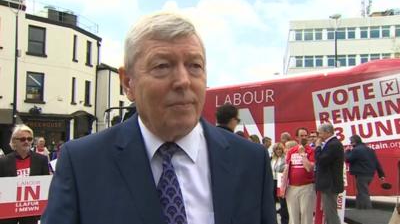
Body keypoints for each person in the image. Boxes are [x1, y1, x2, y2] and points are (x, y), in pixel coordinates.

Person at [42, 12, 276, 224]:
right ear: (127, 82)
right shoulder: (83, 163)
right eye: (162, 66)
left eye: (195, 65)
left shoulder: (251, 162)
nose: (183, 80)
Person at [0, 124, 50, 224]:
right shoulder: (3, 161)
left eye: (29, 139)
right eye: (22, 139)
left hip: (30, 212)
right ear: (14, 141)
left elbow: (45, 186)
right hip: (8, 211)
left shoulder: (41, 160)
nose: (26, 141)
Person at [283, 128, 315, 224]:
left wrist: (302, 154)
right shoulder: (291, 151)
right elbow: (286, 169)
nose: (304, 137)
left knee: (306, 214)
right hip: (291, 187)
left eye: (306, 135)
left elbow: (309, 168)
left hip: (307, 187)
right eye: (302, 136)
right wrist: (282, 187)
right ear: (297, 137)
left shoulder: (311, 151)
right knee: (293, 216)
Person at [345, 134, 385, 209]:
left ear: (354, 142)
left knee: (363, 192)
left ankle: (368, 209)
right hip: (370, 174)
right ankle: (360, 208)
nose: (350, 144)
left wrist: (347, 151)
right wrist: (381, 175)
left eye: (351, 142)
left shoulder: (356, 150)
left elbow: (348, 159)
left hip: (361, 174)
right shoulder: (370, 150)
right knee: (361, 191)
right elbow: (377, 162)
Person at [315, 123, 344, 224]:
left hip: (330, 185)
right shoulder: (331, 143)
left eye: (320, 133)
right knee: (328, 213)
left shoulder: (333, 144)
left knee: (330, 213)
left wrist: (318, 147)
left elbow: (321, 160)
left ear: (328, 132)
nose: (319, 136)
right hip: (329, 184)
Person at [270, 143, 289, 224]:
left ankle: (284, 222)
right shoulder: (271, 159)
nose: (278, 151)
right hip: (272, 182)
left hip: (280, 181)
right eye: (277, 149)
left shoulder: (285, 158)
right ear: (274, 150)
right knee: (271, 203)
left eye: (280, 149)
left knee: (283, 204)